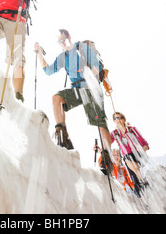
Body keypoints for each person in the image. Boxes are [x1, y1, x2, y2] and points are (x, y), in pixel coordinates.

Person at [35, 29, 113, 173]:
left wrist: (86, 72)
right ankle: (63, 138)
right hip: (77, 90)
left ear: (69, 37)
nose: (62, 42)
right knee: (56, 98)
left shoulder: (83, 48)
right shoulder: (63, 57)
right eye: (60, 41)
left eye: (64, 39)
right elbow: (48, 70)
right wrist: (39, 52)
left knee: (99, 123)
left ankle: (107, 159)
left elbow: (97, 67)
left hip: (91, 87)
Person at [110, 111, 149, 191]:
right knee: (127, 159)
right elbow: (107, 142)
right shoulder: (115, 133)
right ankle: (141, 181)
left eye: (120, 118)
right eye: (116, 118)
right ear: (114, 121)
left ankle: (141, 179)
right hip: (127, 158)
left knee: (128, 158)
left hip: (138, 154)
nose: (118, 120)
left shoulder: (132, 129)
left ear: (124, 119)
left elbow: (145, 144)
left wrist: (142, 149)